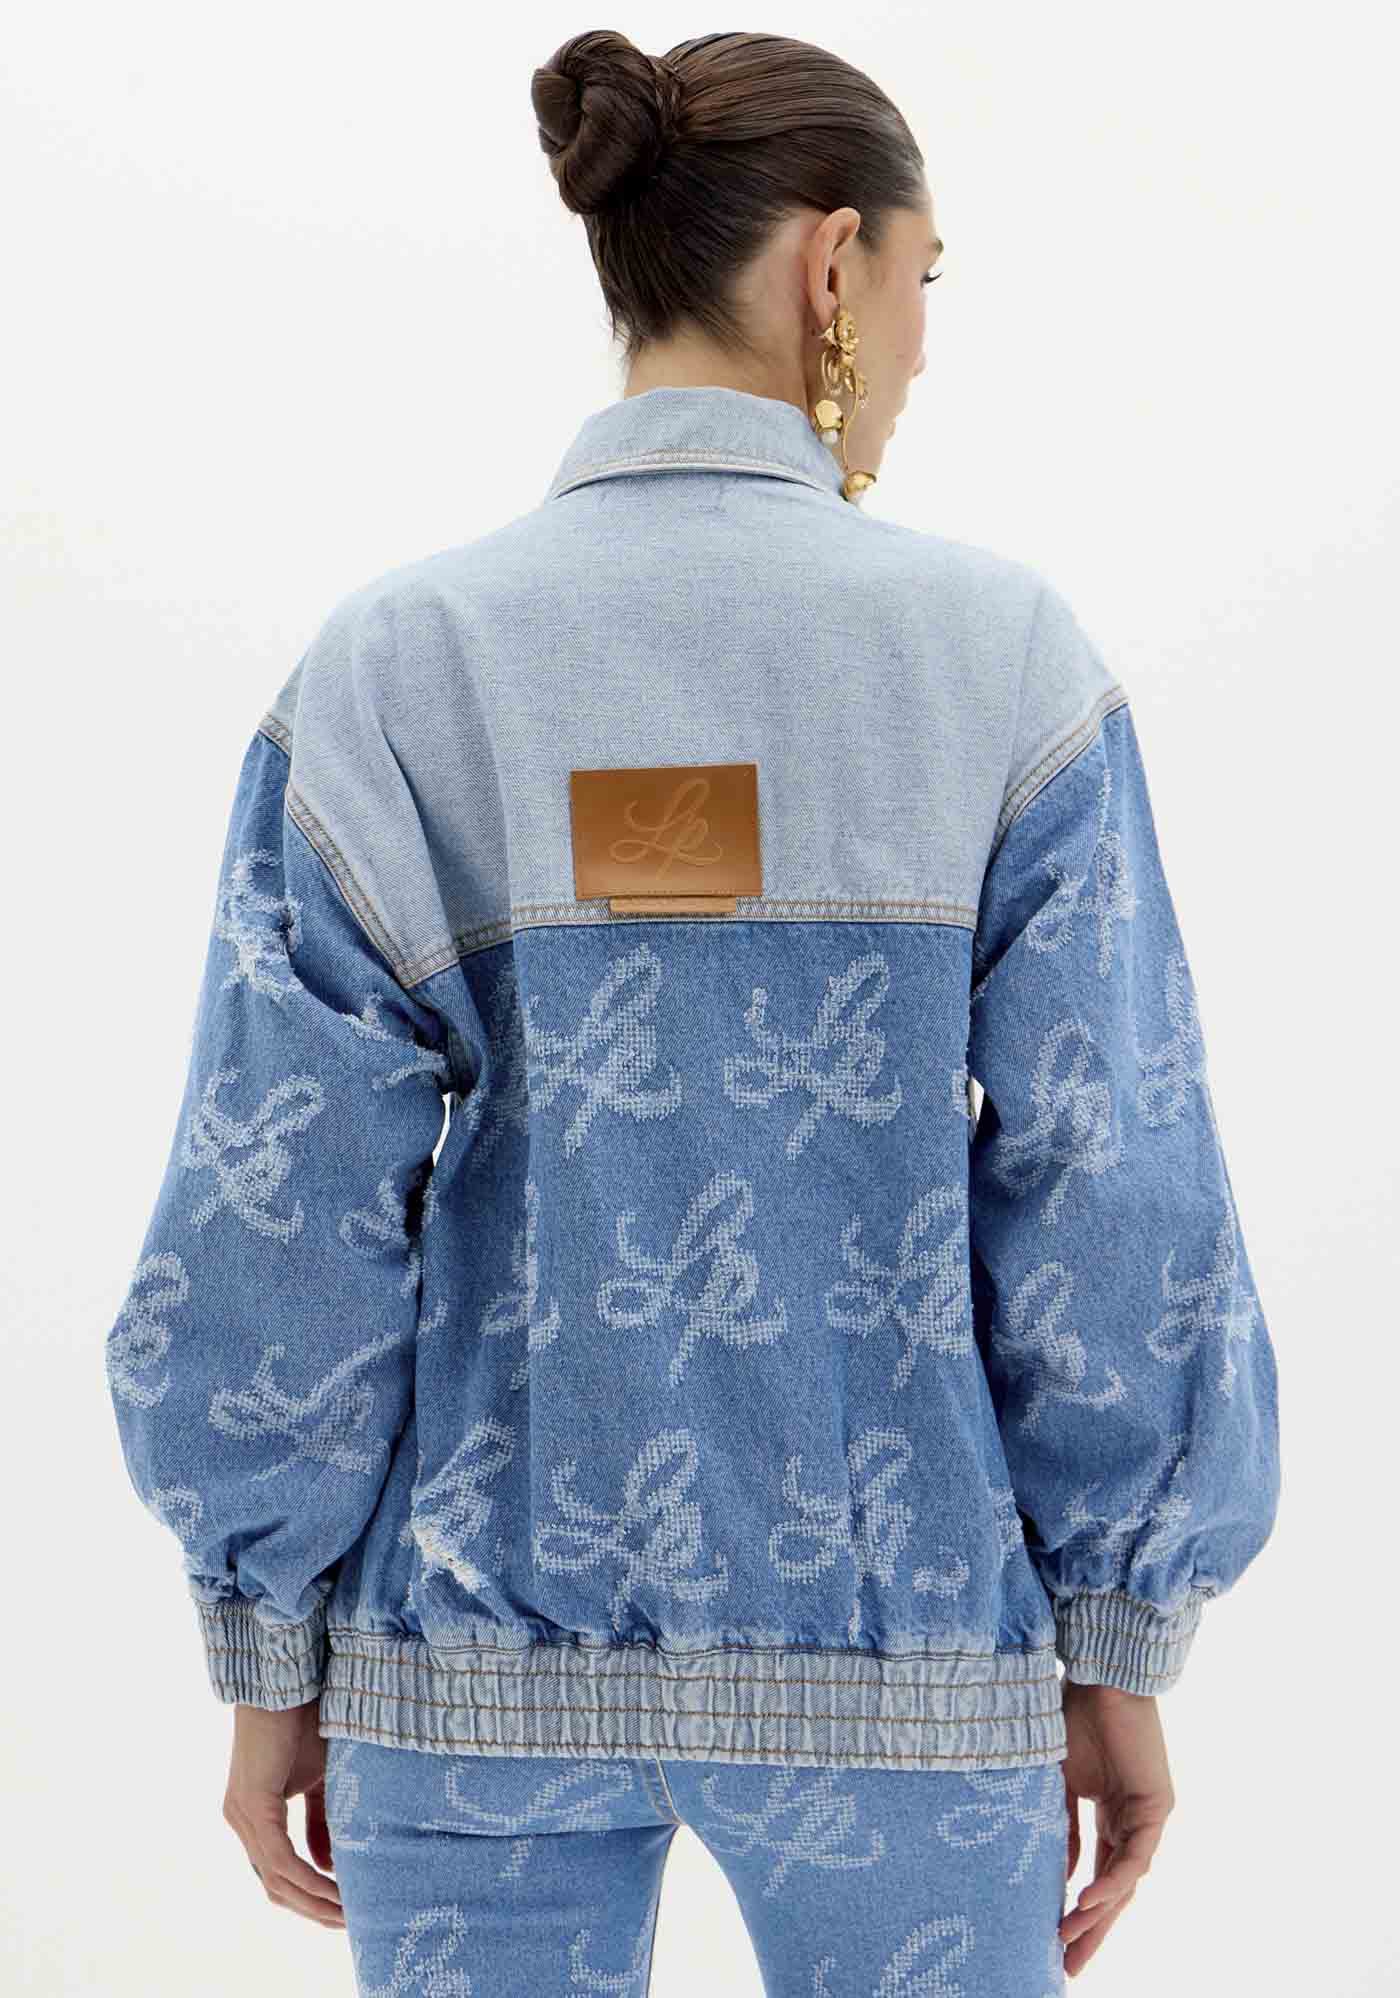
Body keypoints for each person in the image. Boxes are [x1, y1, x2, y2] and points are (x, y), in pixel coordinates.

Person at [104, 28, 1281, 1996]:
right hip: (909, 1676)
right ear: (832, 266)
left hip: (462, 1678)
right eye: (923, 277)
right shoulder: (999, 665)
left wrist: (268, 1642)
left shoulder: (398, 669)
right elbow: (1111, 1180)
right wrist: (1116, 1634)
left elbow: (275, 1202)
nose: (923, 344)